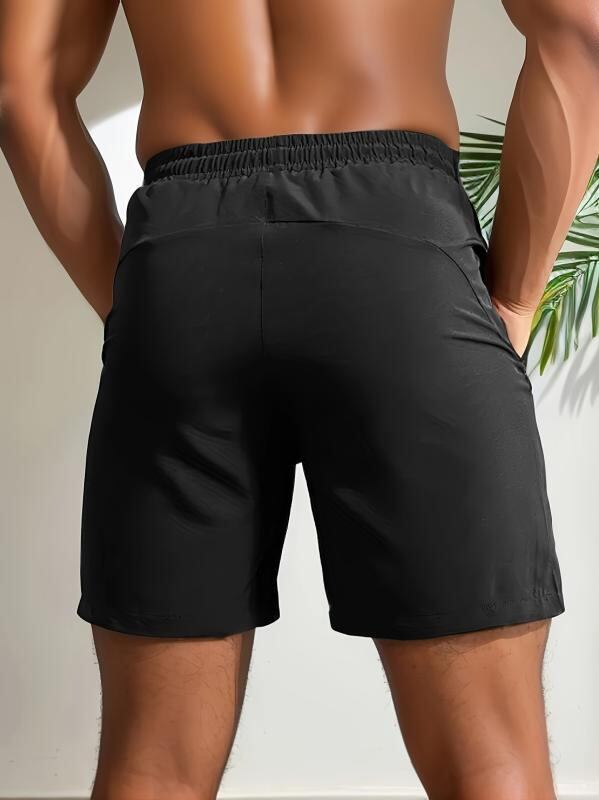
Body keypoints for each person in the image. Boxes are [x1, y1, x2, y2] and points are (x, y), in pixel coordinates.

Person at [1, 1, 597, 798]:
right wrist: (515, 300)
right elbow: (577, 29)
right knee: (488, 761)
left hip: (180, 254)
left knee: (154, 765)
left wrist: (135, 306)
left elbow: (20, 85)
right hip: (398, 246)